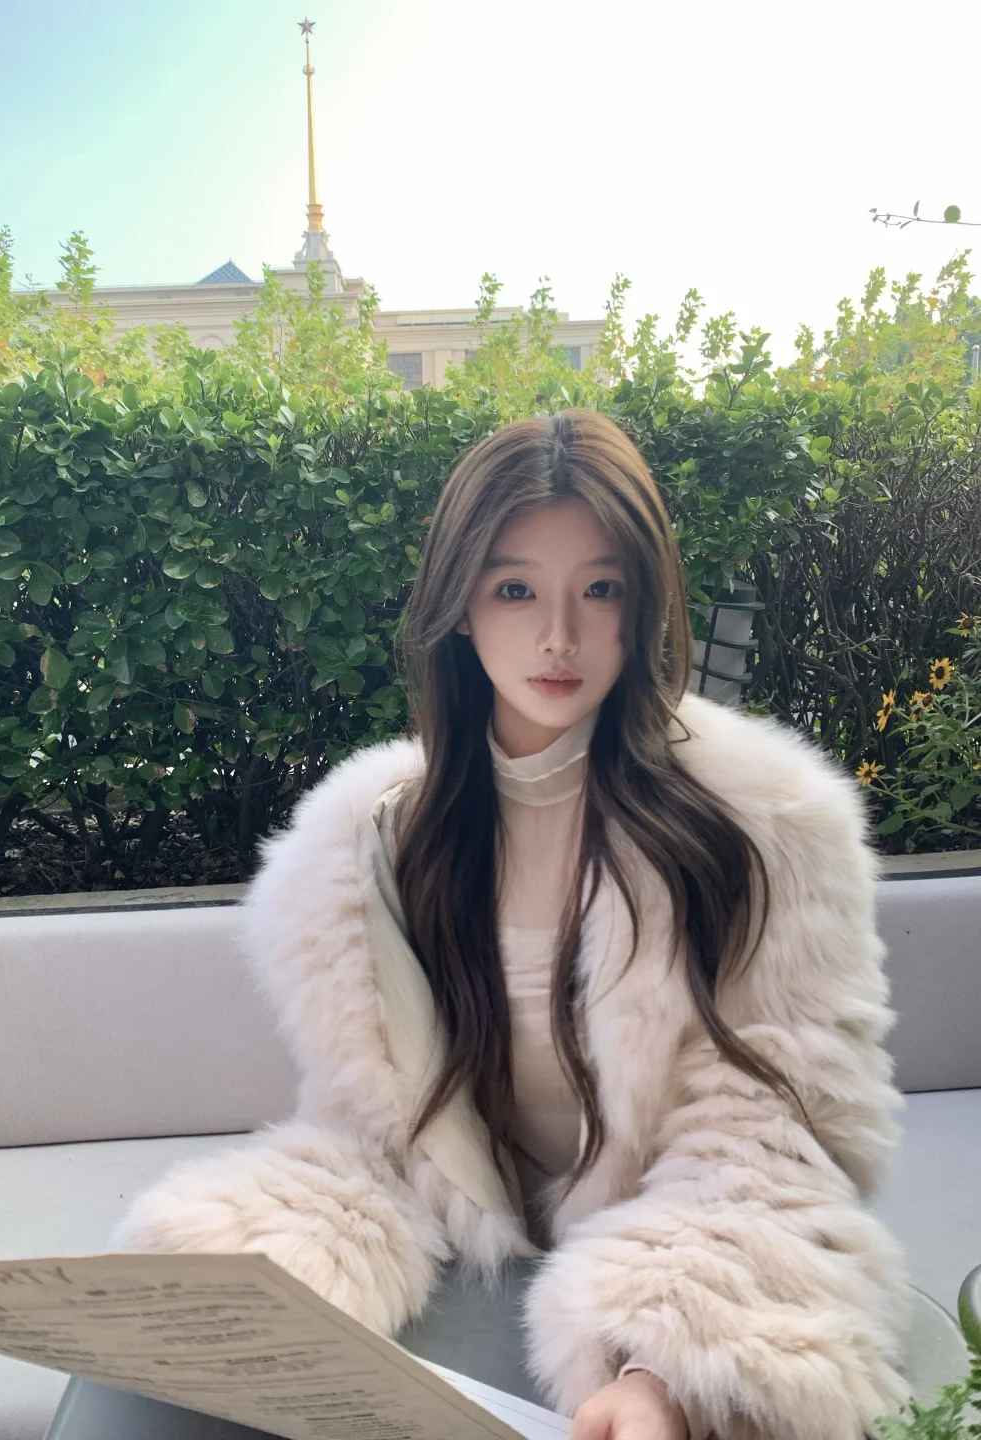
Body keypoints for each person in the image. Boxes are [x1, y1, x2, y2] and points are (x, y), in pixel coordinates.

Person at [110, 408, 911, 1440]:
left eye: (601, 589)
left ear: (645, 605)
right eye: (516, 589)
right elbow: (378, 1140)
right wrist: (242, 1264)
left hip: (663, 1265)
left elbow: (776, 1134)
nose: (558, 637)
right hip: (455, 1283)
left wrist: (665, 1364)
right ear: (459, 604)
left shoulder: (764, 826)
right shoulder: (372, 842)